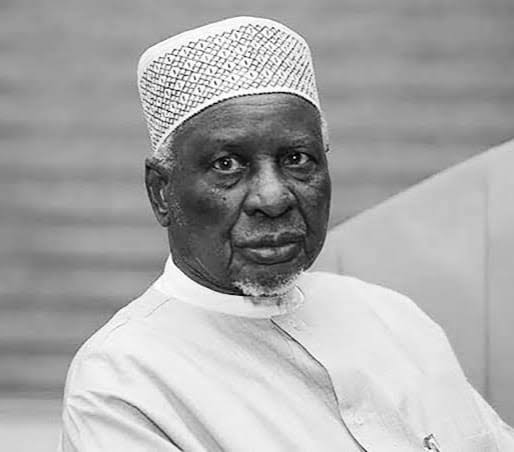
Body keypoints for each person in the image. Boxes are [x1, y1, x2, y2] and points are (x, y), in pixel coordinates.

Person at [59, 16, 514, 451]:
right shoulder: (123, 382)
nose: (273, 198)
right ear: (161, 192)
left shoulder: (393, 318)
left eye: (297, 159)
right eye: (227, 164)